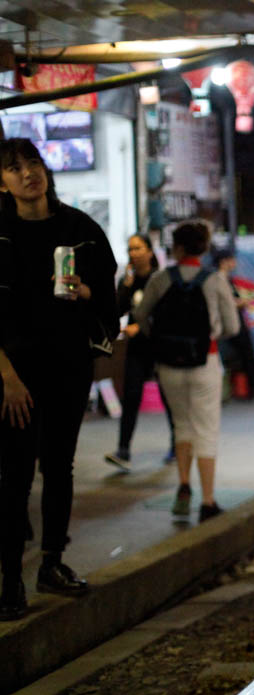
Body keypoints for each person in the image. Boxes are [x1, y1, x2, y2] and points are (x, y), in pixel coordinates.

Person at [0, 137, 118, 620]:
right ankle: (10, 581)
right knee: (13, 476)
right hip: (15, 376)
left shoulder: (81, 229)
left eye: (33, 163)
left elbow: (108, 296)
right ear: (1, 182)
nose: (29, 173)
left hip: (68, 366)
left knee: (59, 467)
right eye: (14, 167)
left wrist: (86, 290)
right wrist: (6, 375)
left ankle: (52, 563)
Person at [132, 221, 239, 523]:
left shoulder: (160, 278)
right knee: (206, 429)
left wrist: (162, 340)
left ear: (176, 248)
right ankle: (207, 501)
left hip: (169, 365)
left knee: (181, 426)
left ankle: (182, 487)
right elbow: (232, 327)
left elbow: (140, 315)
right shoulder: (215, 280)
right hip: (206, 361)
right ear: (204, 247)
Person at [105, 233, 175, 471]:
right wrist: (124, 287)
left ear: (149, 251)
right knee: (131, 396)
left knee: (169, 397)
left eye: (138, 248)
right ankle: (123, 450)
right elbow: (117, 310)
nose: (133, 253)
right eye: (130, 249)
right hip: (136, 348)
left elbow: (165, 314)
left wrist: (141, 327)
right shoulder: (128, 279)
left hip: (159, 346)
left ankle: (177, 445)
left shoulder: (160, 279)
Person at [213, 248, 254, 399]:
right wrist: (240, 303)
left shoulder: (226, 278)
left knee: (248, 355)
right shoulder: (218, 279)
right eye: (231, 259)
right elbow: (222, 303)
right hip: (229, 325)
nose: (234, 263)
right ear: (224, 262)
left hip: (235, 323)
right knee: (247, 355)